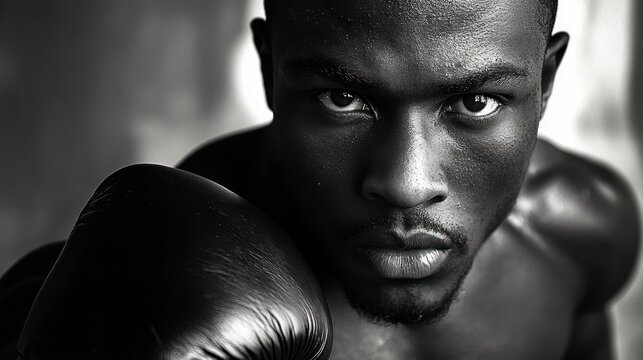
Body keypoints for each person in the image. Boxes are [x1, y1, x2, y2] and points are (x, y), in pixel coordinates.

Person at [1, 0, 640, 359]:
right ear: (268, 69)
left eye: (475, 103)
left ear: (546, 81)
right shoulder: (171, 270)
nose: (406, 183)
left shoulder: (583, 228)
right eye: (340, 97)